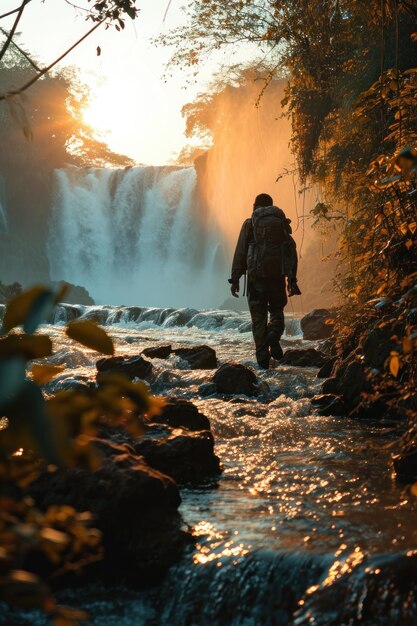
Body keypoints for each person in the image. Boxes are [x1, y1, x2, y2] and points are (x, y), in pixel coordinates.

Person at [228, 193, 301, 369]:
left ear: (255, 206)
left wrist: (235, 278)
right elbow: (290, 250)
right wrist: (292, 279)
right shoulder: (281, 223)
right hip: (277, 277)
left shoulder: (250, 223)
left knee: (259, 318)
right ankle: (274, 336)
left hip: (255, 279)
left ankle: (263, 361)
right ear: (271, 206)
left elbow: (241, 252)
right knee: (276, 311)